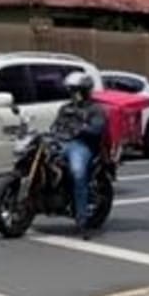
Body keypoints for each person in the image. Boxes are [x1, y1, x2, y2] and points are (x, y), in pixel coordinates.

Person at [50, 71, 107, 232]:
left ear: (85, 90)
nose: (73, 94)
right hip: (60, 142)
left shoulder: (95, 109)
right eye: (71, 90)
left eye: (76, 90)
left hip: (81, 146)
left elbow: (98, 128)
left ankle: (82, 217)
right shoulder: (65, 108)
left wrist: (82, 129)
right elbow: (55, 126)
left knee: (78, 173)